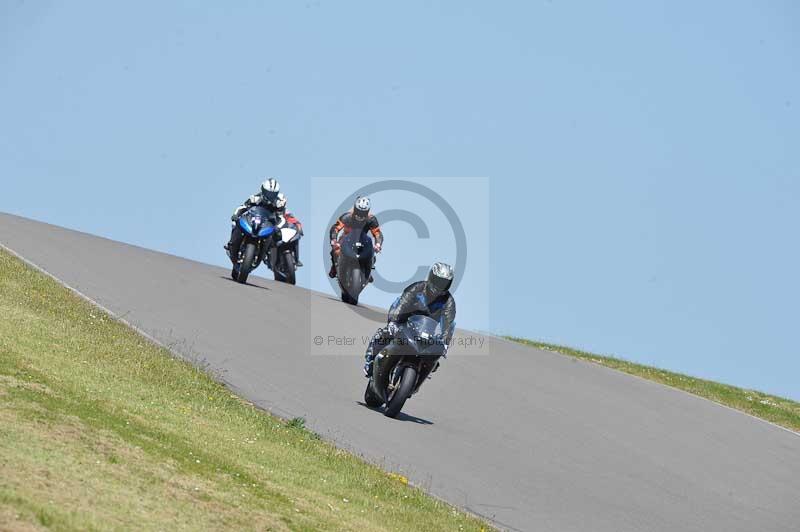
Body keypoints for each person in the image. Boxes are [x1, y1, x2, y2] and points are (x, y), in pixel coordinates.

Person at [363, 262, 456, 377]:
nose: (440, 286)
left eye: (444, 283)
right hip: (405, 321)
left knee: (435, 358)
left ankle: (419, 377)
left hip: (428, 331)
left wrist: (445, 342)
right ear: (431, 277)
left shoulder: (448, 301)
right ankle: (370, 360)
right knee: (385, 334)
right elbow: (402, 304)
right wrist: (393, 321)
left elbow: (448, 321)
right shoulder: (417, 288)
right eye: (438, 281)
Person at [225, 178, 303, 266]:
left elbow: (281, 217)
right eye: (268, 193)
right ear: (263, 190)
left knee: (277, 236)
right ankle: (231, 244)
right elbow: (242, 207)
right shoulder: (255, 198)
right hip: (254, 221)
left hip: (269, 224)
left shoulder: (279, 202)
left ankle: (268, 254)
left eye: (273, 194)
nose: (270, 196)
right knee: (237, 223)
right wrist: (235, 214)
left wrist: (278, 227)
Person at [328, 196, 383, 280]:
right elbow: (335, 228)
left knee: (372, 254)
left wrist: (378, 244)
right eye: (358, 211)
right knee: (335, 251)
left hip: (363, 239)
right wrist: (334, 240)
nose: (360, 214)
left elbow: (378, 233)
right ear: (355, 208)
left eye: (363, 212)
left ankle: (367, 272)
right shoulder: (347, 216)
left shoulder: (371, 219)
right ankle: (334, 268)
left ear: (367, 211)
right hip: (347, 238)